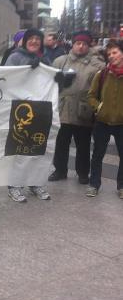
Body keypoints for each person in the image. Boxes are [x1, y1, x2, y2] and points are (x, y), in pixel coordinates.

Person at [49, 30, 105, 184]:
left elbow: (101, 88)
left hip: (84, 112)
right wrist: (57, 80)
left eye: (84, 44)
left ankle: (82, 173)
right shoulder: (60, 61)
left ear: (89, 46)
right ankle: (60, 170)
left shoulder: (97, 65)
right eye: (78, 43)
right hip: (63, 110)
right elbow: (49, 84)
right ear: (72, 45)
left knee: (83, 146)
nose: (80, 47)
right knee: (61, 144)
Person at [4, 28, 51, 202]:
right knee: (20, 149)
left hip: (41, 110)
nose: (34, 41)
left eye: (37, 39)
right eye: (30, 38)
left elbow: (51, 83)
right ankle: (14, 186)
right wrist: (26, 70)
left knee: (38, 148)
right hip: (20, 109)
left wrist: (61, 80)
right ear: (25, 41)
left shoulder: (45, 59)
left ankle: (35, 182)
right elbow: (6, 79)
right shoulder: (15, 57)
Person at [86, 40, 123, 197]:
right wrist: (98, 107)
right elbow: (91, 96)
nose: (111, 56)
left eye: (115, 52)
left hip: (121, 123)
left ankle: (121, 187)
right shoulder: (102, 74)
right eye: (109, 54)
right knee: (97, 155)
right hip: (102, 122)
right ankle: (94, 184)